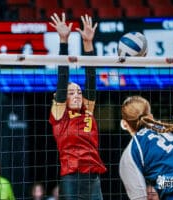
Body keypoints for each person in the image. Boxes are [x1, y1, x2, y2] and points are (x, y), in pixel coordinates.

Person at [49, 13, 106, 200]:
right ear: (63, 98)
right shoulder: (59, 115)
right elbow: (63, 76)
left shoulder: (87, 110)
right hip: (71, 177)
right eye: (71, 93)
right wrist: (63, 40)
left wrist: (88, 43)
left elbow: (91, 79)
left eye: (79, 92)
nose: (77, 95)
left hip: (93, 177)